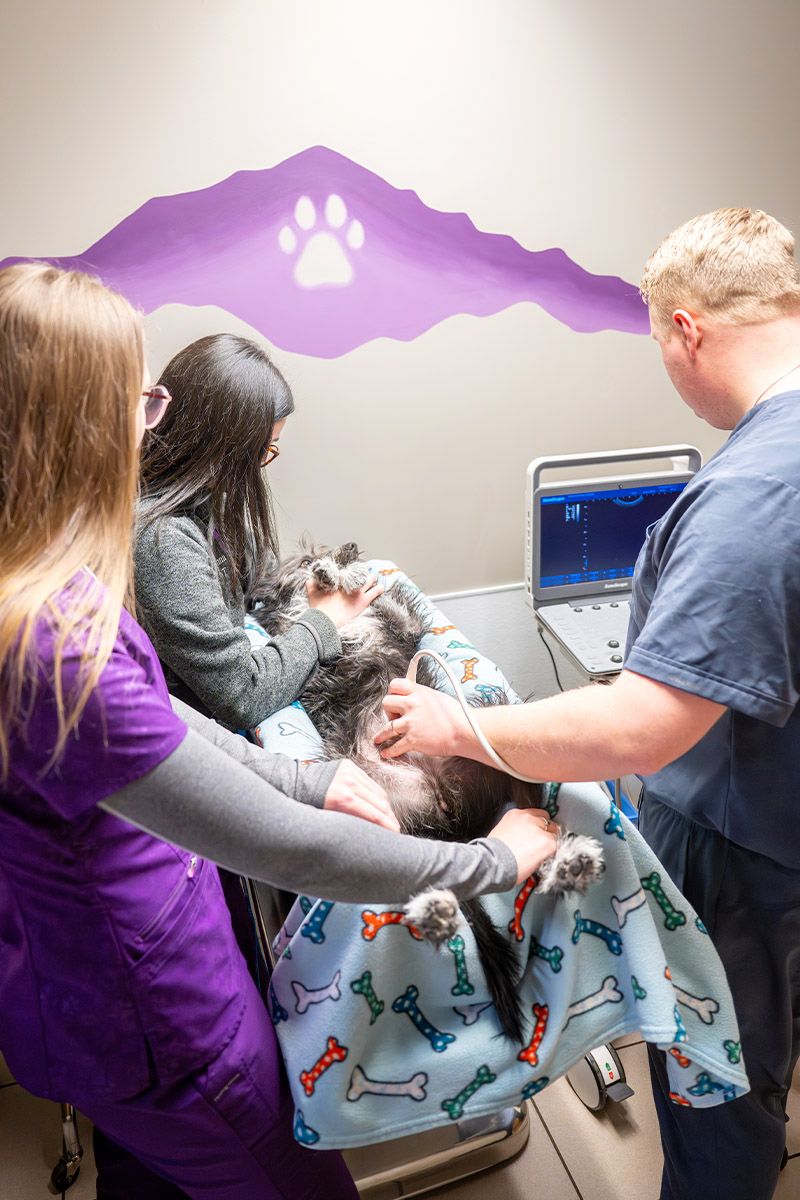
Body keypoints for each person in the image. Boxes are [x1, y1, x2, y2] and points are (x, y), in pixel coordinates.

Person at [0, 262, 563, 1200]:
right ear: (82, 426)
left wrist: (303, 780)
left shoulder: (45, 590)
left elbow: (169, 725)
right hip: (155, 1014)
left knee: (151, 1172)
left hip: (91, 991)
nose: (153, 423)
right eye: (143, 401)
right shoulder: (56, 643)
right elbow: (292, 853)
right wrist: (494, 862)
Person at [376, 208, 800, 1200]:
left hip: (744, 845)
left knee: (718, 1075)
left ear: (684, 330)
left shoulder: (747, 499)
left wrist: (458, 727)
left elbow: (638, 727)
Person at [135, 333, 375, 730]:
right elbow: (242, 695)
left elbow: (259, 573)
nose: (267, 461)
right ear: (224, 447)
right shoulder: (163, 544)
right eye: (266, 449)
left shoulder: (201, 502)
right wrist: (323, 622)